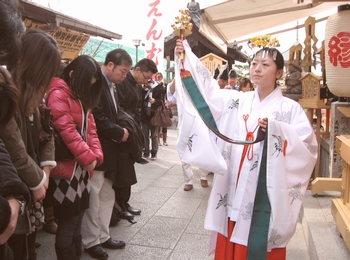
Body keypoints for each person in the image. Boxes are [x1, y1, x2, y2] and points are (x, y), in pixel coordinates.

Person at [169, 39, 318, 259]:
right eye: (254, 63)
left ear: (279, 73)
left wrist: (278, 130)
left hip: (263, 189)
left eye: (265, 65)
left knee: (256, 232)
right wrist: (186, 60)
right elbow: (207, 92)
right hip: (233, 181)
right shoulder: (236, 99)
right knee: (231, 226)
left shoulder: (290, 109)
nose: (257, 69)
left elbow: (307, 148)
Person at [46, 55, 104, 260]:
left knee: (78, 218)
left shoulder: (78, 96)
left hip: (80, 168)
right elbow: (66, 130)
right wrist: (89, 157)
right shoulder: (58, 93)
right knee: (69, 220)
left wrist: (95, 155)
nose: (89, 87)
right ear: (72, 74)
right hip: (65, 171)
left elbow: (92, 131)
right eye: (88, 82)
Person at [81, 49, 132, 260]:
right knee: (94, 197)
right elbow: (97, 118)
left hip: (110, 151)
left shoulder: (113, 86)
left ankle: (103, 236)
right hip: (97, 150)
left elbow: (115, 112)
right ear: (110, 65)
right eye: (123, 70)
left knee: (106, 195)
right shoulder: (97, 84)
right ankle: (90, 241)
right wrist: (120, 132)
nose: (124, 76)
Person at [113, 58, 157, 220]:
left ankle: (125, 202)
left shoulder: (137, 86)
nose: (147, 81)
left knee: (129, 169)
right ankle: (119, 204)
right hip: (124, 130)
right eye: (146, 77)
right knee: (122, 172)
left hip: (132, 129)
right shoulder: (122, 83)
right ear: (137, 69)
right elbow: (120, 109)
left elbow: (137, 109)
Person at [141, 72, 165, 159]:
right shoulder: (142, 89)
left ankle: (154, 152)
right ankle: (146, 151)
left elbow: (162, 100)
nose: (145, 84)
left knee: (154, 134)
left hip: (154, 114)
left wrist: (155, 100)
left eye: (147, 82)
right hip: (144, 114)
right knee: (145, 134)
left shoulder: (158, 88)